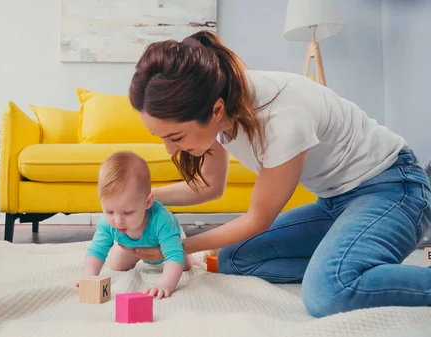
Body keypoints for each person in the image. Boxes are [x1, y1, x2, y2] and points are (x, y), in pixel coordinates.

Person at [120, 30, 431, 317]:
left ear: (215, 111)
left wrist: (176, 247)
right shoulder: (219, 99)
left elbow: (258, 219)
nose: (169, 150)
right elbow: (211, 188)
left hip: (395, 190)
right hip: (336, 203)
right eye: (160, 137)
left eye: (175, 137)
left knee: (328, 293)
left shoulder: (283, 117)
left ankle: (347, 271)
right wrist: (140, 199)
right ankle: (353, 264)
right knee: (234, 259)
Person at [78, 151, 193, 299]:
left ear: (147, 202)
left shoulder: (162, 220)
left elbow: (174, 255)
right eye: (109, 211)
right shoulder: (107, 223)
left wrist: (165, 284)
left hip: (165, 243)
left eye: (127, 212)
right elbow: (96, 251)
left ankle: (187, 251)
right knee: (117, 265)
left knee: (183, 264)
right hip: (133, 247)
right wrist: (89, 277)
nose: (118, 220)